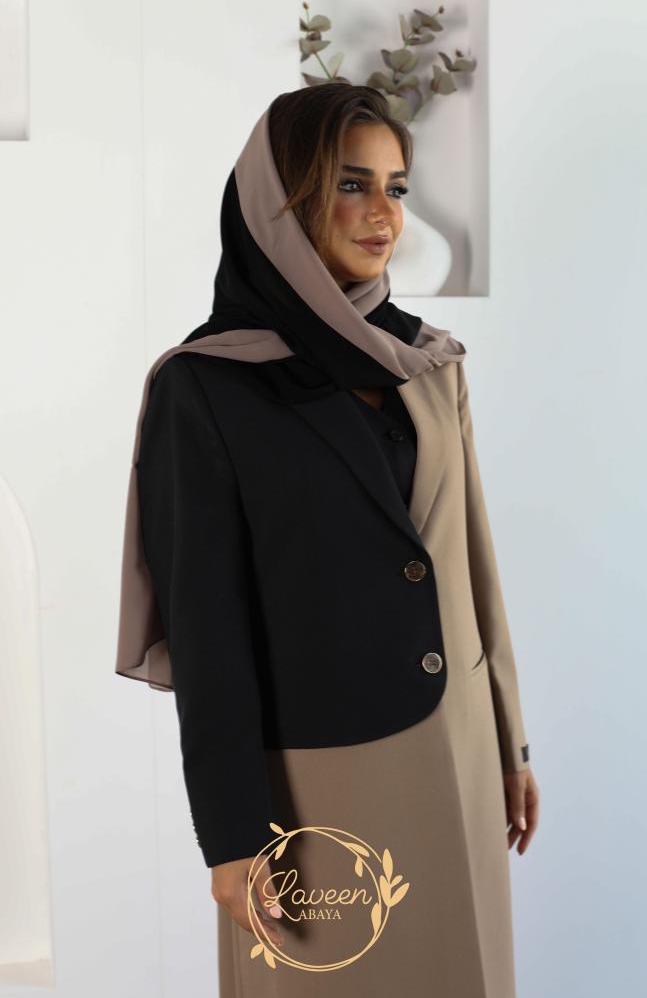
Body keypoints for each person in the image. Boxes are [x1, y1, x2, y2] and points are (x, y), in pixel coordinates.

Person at [116, 84, 540, 997]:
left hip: (462, 753)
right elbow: (207, 629)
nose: (384, 214)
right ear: (281, 199)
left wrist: (511, 742)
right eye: (353, 184)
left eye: (397, 188)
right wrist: (231, 836)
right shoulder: (207, 387)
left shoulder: (429, 363)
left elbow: (471, 561)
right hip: (317, 782)